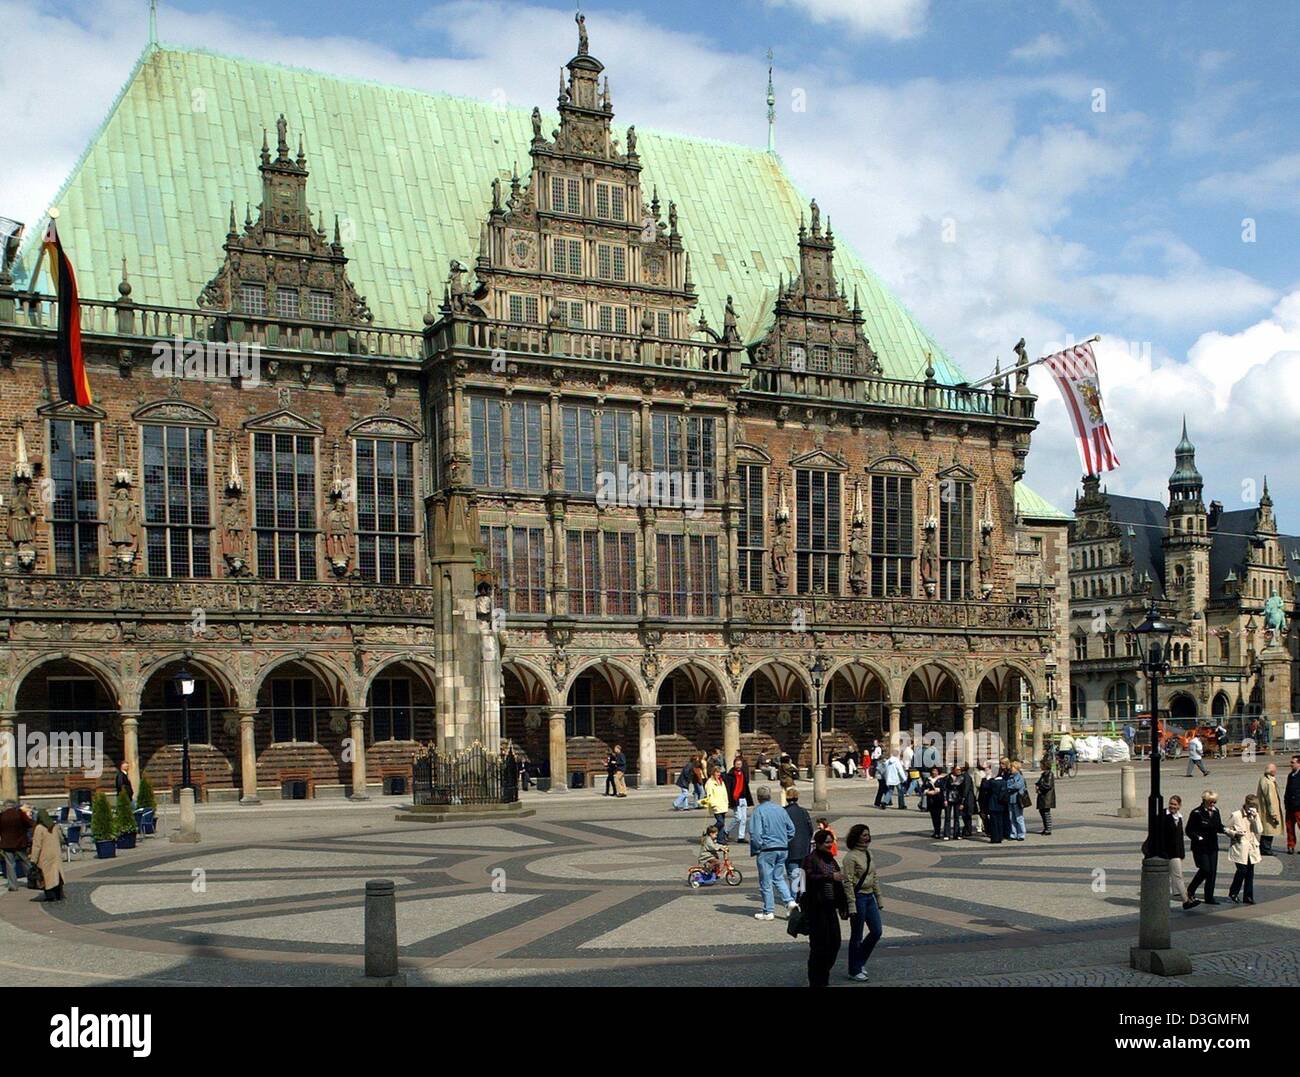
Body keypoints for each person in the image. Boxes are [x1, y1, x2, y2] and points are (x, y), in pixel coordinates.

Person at [800, 828, 848, 987]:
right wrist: (829, 876)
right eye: (827, 842)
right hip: (815, 908)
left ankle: (823, 973)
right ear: (819, 843)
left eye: (831, 842)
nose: (830, 845)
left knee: (835, 943)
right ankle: (817, 981)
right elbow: (805, 879)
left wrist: (843, 906)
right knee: (819, 947)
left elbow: (838, 884)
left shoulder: (831, 860)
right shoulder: (809, 859)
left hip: (830, 908)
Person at [748, 785, 797, 920]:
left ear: (758, 798)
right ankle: (790, 901)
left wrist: (758, 847)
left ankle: (768, 911)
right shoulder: (780, 809)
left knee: (766, 881)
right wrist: (784, 840)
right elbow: (791, 829)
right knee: (779, 877)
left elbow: (755, 834)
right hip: (782, 848)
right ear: (770, 796)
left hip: (767, 849)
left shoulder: (758, 811)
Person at [842, 823, 884, 982]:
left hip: (869, 897)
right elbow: (848, 882)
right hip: (858, 897)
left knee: (877, 931)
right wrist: (851, 904)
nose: (867, 837)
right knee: (857, 935)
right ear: (857, 837)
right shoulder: (850, 857)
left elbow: (874, 877)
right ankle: (854, 969)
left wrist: (879, 898)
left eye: (868, 834)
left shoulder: (868, 853)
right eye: (864, 835)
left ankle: (859, 962)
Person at [1158, 795, 1199, 910]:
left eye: (1175, 804)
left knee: (1176, 876)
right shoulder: (1163, 815)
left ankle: (1180, 895)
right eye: (1171, 804)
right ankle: (1186, 900)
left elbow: (1179, 838)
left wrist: (1182, 854)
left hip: (1175, 852)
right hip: (1167, 852)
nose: (1172, 806)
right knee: (1178, 876)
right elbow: (1160, 835)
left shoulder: (1179, 817)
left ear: (1180, 806)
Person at [1186, 790, 1225, 904]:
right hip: (1200, 846)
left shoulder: (1216, 811)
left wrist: (1227, 830)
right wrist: (1197, 837)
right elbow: (1189, 830)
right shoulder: (1196, 813)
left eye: (1214, 802)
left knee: (1212, 871)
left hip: (1212, 845)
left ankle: (1209, 896)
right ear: (1204, 801)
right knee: (1205, 869)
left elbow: (1218, 826)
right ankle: (1191, 889)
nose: (1213, 805)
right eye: (1211, 802)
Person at [1226, 794, 1263, 904]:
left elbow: (1259, 830)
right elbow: (1226, 829)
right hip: (1240, 847)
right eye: (1251, 805)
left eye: (1255, 806)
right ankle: (1233, 892)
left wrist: (1255, 819)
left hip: (1251, 848)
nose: (1253, 808)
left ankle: (1248, 896)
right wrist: (1235, 833)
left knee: (1250, 872)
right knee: (1242, 870)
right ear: (1246, 804)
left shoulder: (1255, 815)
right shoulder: (1236, 815)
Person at [784, 786, 814, 897]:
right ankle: (802, 897)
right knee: (801, 874)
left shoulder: (784, 812)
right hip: (804, 848)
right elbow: (810, 829)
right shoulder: (803, 811)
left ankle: (794, 899)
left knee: (793, 875)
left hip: (790, 847)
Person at [28, 810, 63, 902]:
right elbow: (61, 839)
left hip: (45, 855)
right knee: (56, 874)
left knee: (47, 877)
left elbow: (37, 845)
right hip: (56, 854)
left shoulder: (39, 828)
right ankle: (59, 894)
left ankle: (50, 896)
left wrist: (33, 859)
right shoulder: (54, 826)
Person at [1, 800, 33, 892]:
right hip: (20, 843)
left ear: (5, 806)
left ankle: (13, 885)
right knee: (26, 862)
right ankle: (32, 881)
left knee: (10, 864)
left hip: (6, 844)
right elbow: (29, 824)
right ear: (14, 806)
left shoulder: (2, 815)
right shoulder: (20, 814)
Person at [1256, 763, 1282, 856]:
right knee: (1269, 830)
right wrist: (1273, 813)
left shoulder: (1264, 779)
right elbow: (1270, 799)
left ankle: (1264, 847)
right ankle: (1266, 848)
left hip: (1265, 810)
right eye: (1275, 770)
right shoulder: (1268, 782)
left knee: (1267, 830)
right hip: (1268, 811)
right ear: (1272, 771)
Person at [725, 754, 751, 842]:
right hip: (736, 798)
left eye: (740, 764)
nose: (739, 766)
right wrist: (729, 799)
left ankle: (741, 836)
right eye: (737, 764)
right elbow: (729, 788)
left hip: (744, 798)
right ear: (734, 764)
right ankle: (726, 831)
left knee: (744, 819)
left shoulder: (743, 773)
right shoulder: (731, 774)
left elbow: (746, 785)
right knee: (738, 817)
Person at [703, 765, 731, 840]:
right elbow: (709, 794)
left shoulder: (721, 781)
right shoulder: (710, 782)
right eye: (717, 772)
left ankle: (720, 839)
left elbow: (725, 792)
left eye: (719, 772)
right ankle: (709, 832)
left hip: (723, 804)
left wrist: (727, 802)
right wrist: (713, 804)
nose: (718, 774)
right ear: (713, 773)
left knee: (722, 824)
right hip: (716, 805)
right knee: (720, 822)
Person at [984, 764, 1007, 843]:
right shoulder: (1004, 781)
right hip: (1001, 803)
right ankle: (1000, 836)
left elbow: (984, 786)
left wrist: (988, 778)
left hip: (993, 803)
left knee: (994, 822)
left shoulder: (993, 782)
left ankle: (995, 838)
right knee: (1000, 821)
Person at [1005, 759, 1028, 841]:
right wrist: (1010, 787)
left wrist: (1011, 787)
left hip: (1018, 799)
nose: (1011, 769)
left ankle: (1021, 834)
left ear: (1017, 768)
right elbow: (1007, 785)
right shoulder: (1010, 777)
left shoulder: (1020, 777)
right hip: (1010, 799)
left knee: (1019, 817)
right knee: (1012, 817)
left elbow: (1017, 786)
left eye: (1012, 767)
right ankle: (1013, 833)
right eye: (1011, 767)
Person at [942, 765, 966, 840]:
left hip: (958, 798)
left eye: (960, 769)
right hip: (949, 797)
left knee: (957, 817)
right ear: (953, 770)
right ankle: (947, 834)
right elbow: (944, 789)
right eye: (957, 769)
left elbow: (963, 791)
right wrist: (945, 799)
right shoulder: (947, 777)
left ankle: (957, 834)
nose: (959, 771)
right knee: (947, 817)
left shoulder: (962, 778)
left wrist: (962, 802)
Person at [922, 766, 944, 838]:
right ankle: (935, 831)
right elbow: (923, 788)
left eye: (935, 771)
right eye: (933, 771)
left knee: (938, 816)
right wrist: (927, 792)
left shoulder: (941, 779)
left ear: (938, 772)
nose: (934, 772)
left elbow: (944, 788)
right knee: (933, 816)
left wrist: (937, 790)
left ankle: (937, 832)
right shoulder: (928, 779)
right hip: (931, 800)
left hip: (938, 800)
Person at [1035, 760, 1055, 835]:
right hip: (1042, 796)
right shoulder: (1044, 774)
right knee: (1042, 812)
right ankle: (1046, 827)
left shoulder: (1049, 774)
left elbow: (1048, 785)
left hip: (1047, 797)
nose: (1040, 766)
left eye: (1041, 765)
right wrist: (1037, 785)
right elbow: (1040, 782)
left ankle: (1048, 829)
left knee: (1046, 813)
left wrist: (1039, 787)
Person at [1286, 755, 1300, 855]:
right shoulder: (1291, 775)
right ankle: (1291, 846)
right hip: (1290, 807)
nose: (1291, 764)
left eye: (1293, 762)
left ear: (1298, 763)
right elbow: (1288, 790)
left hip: (1299, 807)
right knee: (1289, 828)